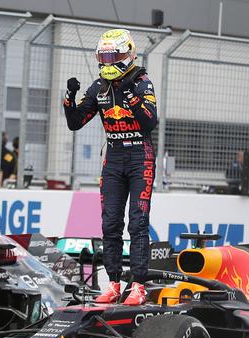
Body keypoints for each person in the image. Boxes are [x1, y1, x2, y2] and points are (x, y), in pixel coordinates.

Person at [64, 29, 158, 305]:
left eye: (112, 56)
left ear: (126, 55)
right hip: (113, 159)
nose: (107, 61)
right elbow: (75, 122)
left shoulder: (142, 81)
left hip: (141, 157)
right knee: (111, 224)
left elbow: (150, 122)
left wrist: (130, 94)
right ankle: (114, 284)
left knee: (138, 223)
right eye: (103, 56)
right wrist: (70, 97)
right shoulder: (98, 87)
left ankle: (139, 286)